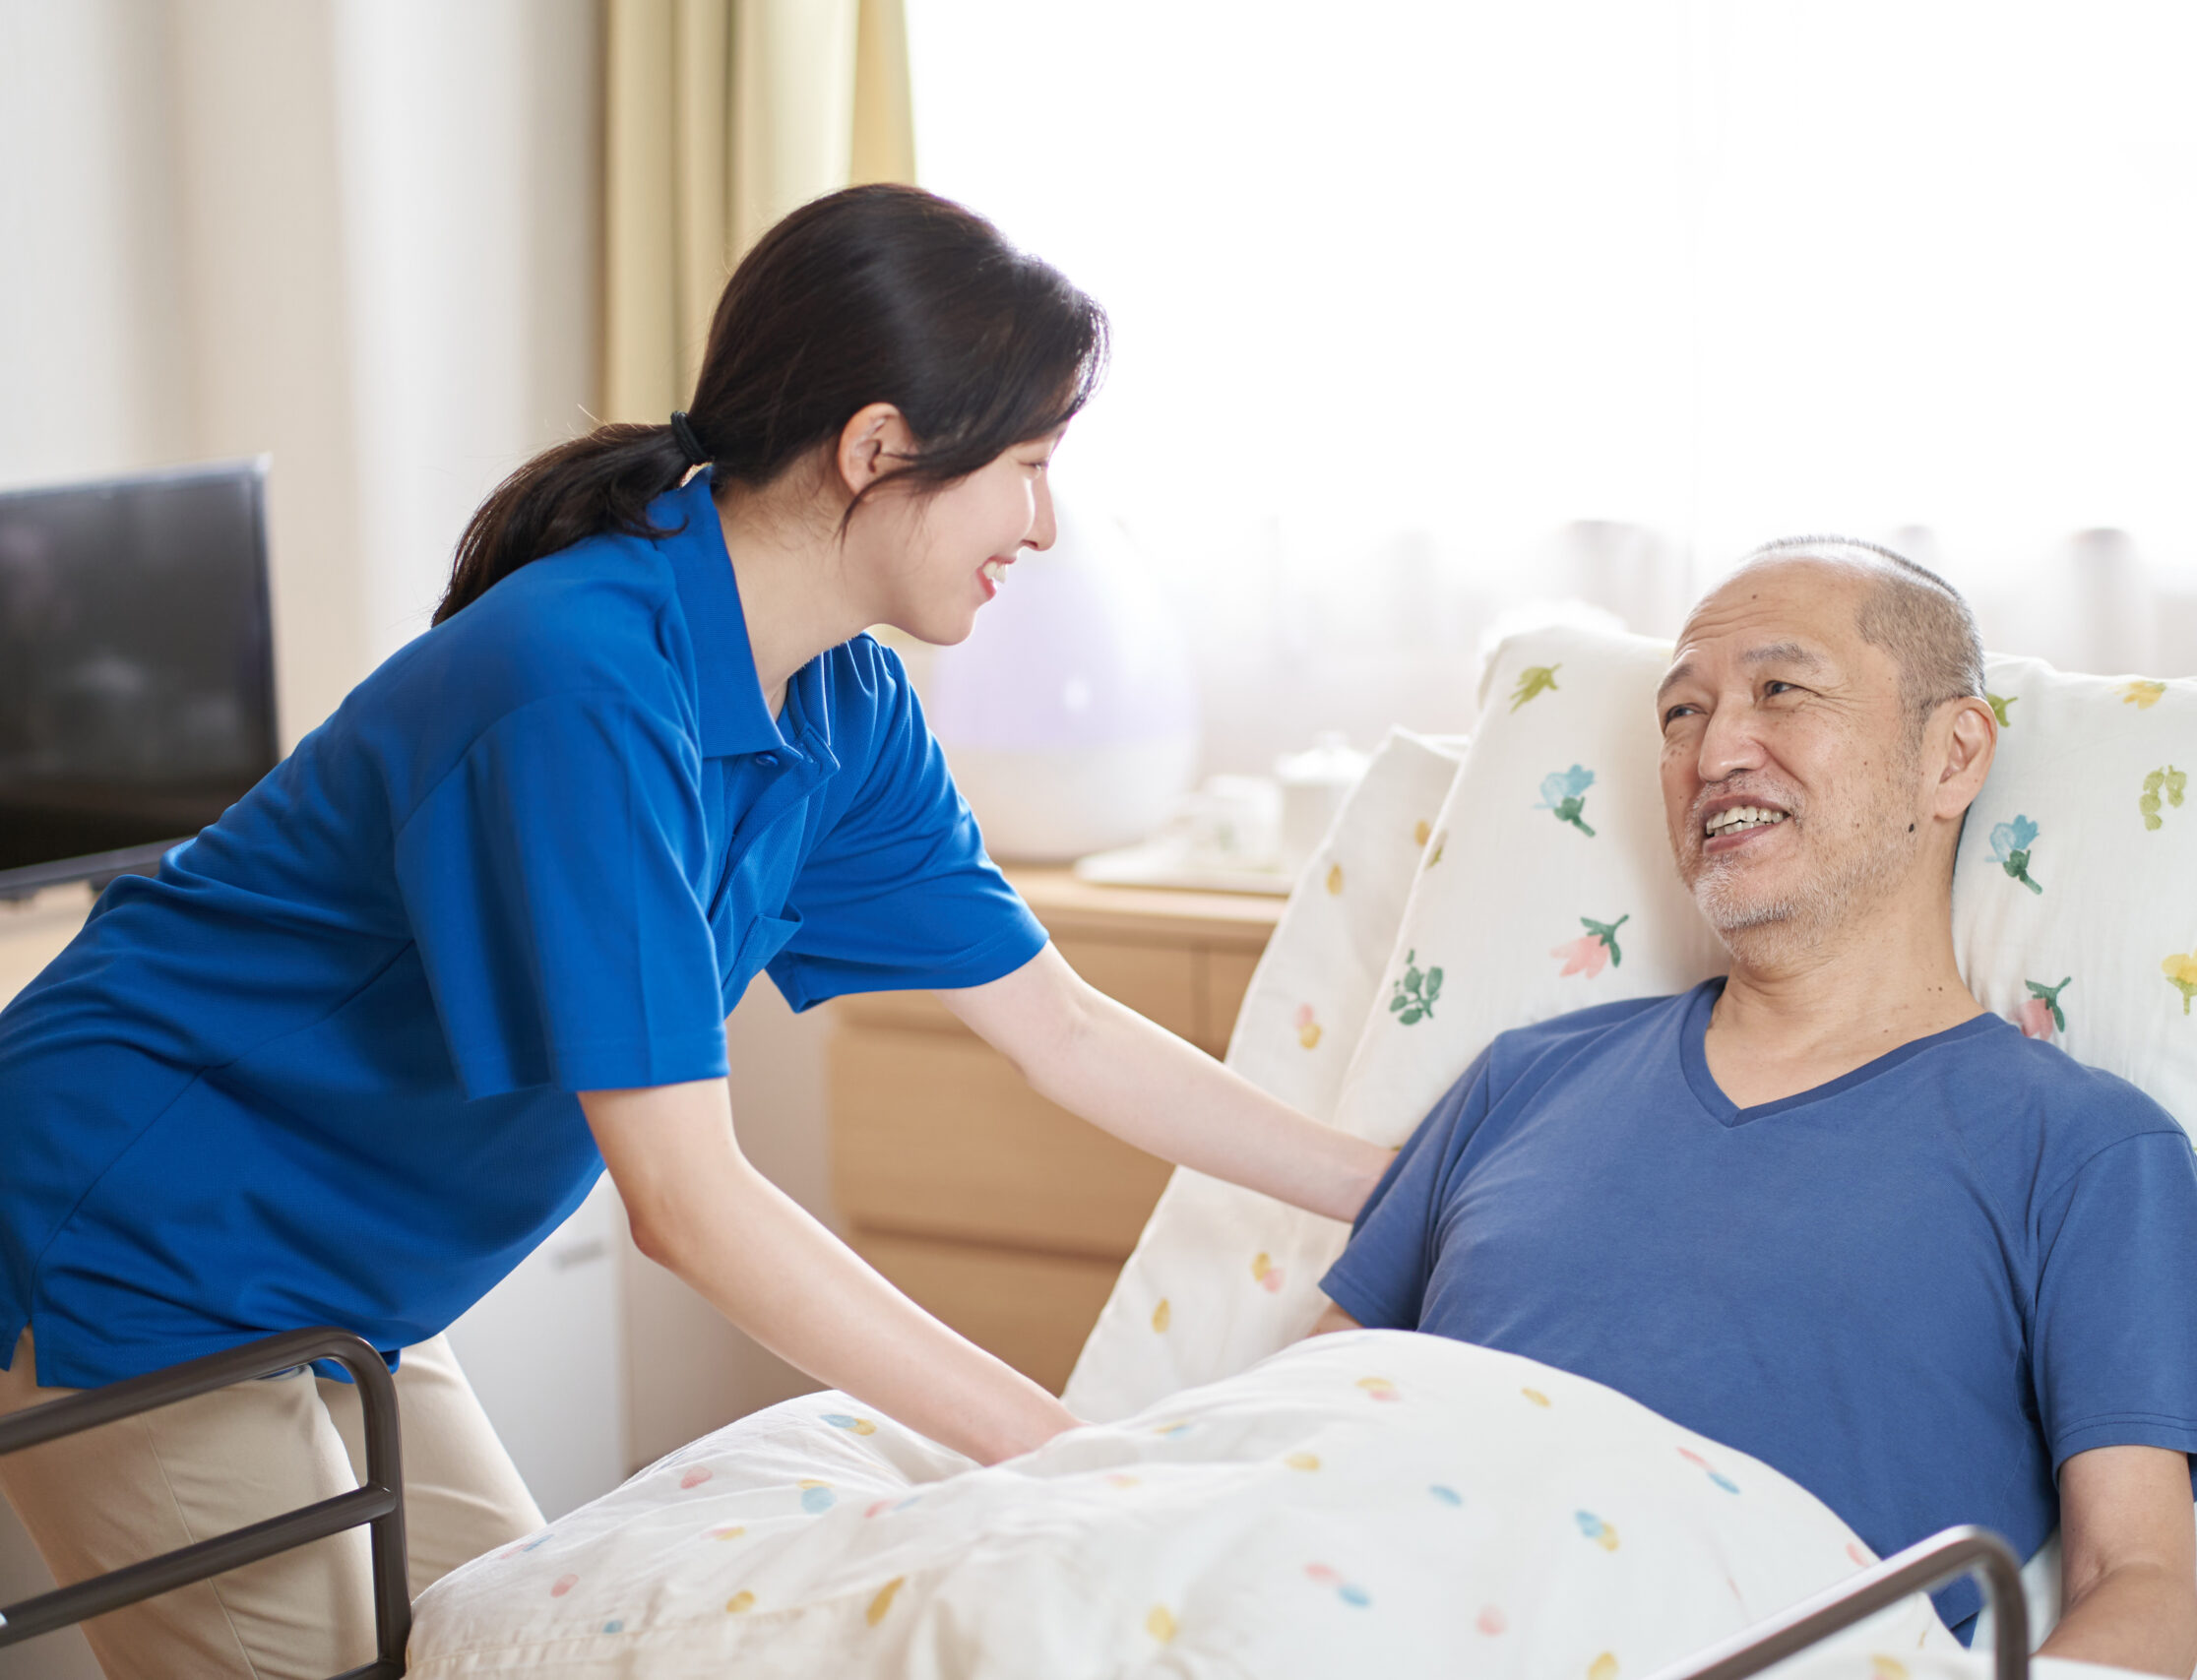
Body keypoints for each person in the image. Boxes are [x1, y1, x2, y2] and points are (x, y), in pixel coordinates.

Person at [0, 185, 1391, 1680]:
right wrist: (1064, 1458)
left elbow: (1061, 1026)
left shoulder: (842, 709)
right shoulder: (581, 682)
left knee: (502, 1648)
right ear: (878, 448)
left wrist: (1394, 1185)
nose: (1045, 523)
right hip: (140, 1233)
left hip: (339, 1278)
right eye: (1030, 465)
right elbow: (687, 1200)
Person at [1313, 538, 2197, 1679]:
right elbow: (1306, 1426)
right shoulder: (1520, 1079)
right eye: (1680, 714)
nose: (1716, 749)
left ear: (1951, 755)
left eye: (1781, 689)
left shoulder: (2084, 1154)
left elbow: (2139, 1586)